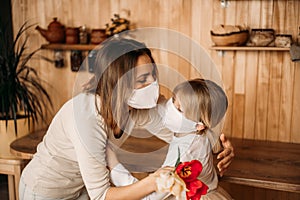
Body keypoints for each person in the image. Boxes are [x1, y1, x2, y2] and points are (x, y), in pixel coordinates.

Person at [19, 38, 233, 200]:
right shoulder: (87, 115)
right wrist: (152, 182)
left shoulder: (136, 104)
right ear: (118, 83)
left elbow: (183, 133)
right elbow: (102, 195)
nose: (153, 85)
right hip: (45, 191)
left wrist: (217, 151)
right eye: (142, 79)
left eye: (153, 75)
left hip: (81, 188)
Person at [107, 78, 232, 199]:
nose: (170, 107)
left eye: (179, 109)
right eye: (173, 99)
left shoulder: (184, 157)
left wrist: (112, 161)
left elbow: (148, 198)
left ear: (199, 125)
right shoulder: (197, 134)